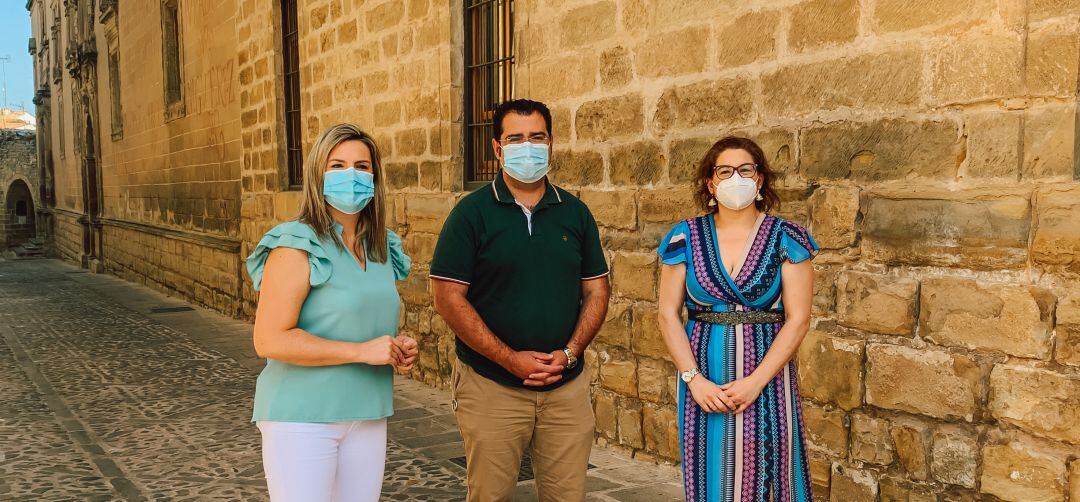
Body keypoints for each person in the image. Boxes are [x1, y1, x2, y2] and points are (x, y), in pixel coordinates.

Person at [430, 99, 611, 502]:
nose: (527, 146)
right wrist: (510, 359)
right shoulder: (470, 215)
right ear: (497, 148)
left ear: (551, 143)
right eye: (515, 138)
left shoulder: (575, 213)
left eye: (536, 137)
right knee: (490, 496)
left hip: (566, 386)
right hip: (492, 385)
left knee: (567, 496)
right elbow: (448, 298)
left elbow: (597, 289)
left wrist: (570, 352)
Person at [245, 123, 417, 501]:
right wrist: (360, 352)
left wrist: (394, 347)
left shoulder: (380, 247)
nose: (350, 175)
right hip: (303, 417)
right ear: (316, 176)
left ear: (375, 176)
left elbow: (358, 322)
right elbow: (269, 339)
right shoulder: (295, 244)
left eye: (361, 166)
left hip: (367, 412)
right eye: (336, 166)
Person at [657, 136, 817, 501]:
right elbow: (668, 313)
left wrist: (755, 382)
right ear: (711, 183)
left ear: (759, 179)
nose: (736, 178)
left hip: (767, 379)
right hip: (703, 379)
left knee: (771, 469)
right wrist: (694, 380)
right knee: (711, 473)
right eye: (725, 171)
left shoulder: (787, 237)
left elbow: (799, 319)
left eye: (746, 170)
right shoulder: (685, 236)